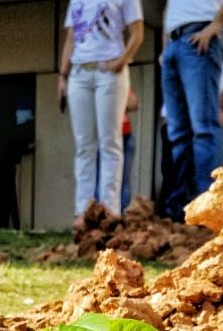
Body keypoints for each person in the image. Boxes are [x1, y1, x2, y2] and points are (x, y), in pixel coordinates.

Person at [58, 0, 144, 222]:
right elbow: (70, 38)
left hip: (109, 72)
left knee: (110, 143)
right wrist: (62, 76)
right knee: (84, 145)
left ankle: (110, 213)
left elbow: (137, 33)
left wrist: (122, 61)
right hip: (79, 72)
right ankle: (82, 213)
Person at [160, 0, 223, 222]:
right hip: (174, 42)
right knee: (178, 133)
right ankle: (179, 212)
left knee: (203, 128)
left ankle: (209, 207)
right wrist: (166, 48)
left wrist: (216, 24)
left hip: (199, 36)